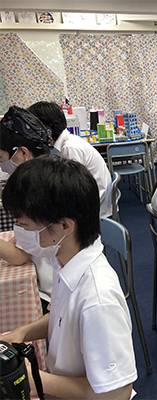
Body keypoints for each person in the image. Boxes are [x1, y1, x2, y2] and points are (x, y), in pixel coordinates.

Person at [0, 157, 137, 399]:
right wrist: (22, 333)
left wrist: (33, 378)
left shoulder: (97, 300)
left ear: (63, 226)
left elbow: (117, 393)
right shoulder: (64, 260)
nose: (20, 233)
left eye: (24, 226)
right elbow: (61, 316)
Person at [0, 106, 54, 305]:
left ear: (23, 152)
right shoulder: (52, 173)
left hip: (49, 292)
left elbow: (19, 257)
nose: (2, 167)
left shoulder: (33, 192)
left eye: (1, 159)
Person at [28, 101, 113, 219]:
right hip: (93, 197)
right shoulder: (67, 142)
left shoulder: (70, 148)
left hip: (96, 206)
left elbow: (74, 188)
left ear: (47, 129)